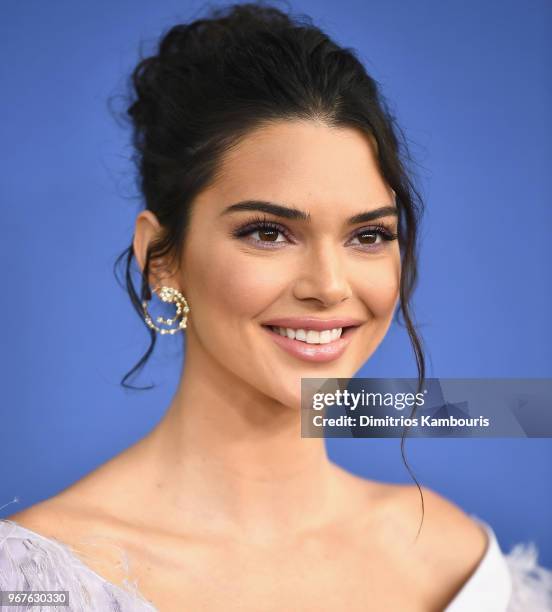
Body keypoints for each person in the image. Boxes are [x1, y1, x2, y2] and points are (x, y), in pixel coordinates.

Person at [1, 3, 551, 610]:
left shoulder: (459, 561)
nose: (330, 286)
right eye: (268, 232)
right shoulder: (37, 582)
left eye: (368, 235)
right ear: (160, 258)